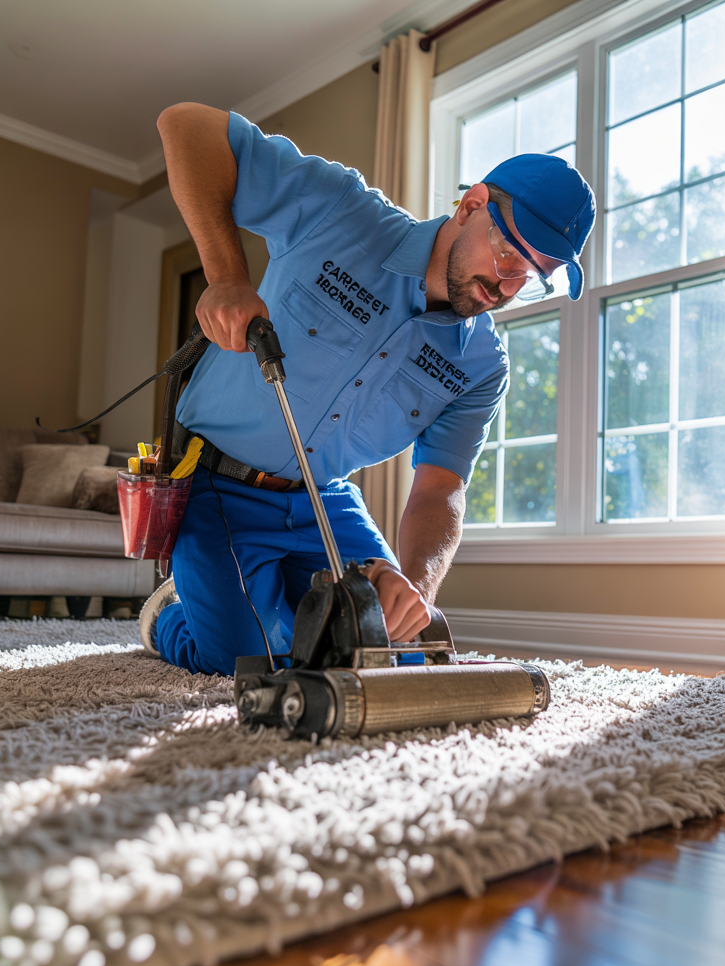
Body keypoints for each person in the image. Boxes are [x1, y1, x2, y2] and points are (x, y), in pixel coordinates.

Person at [139, 102, 595, 676]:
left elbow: (439, 493)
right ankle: (173, 613)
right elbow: (187, 124)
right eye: (507, 253)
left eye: (528, 279)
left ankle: (275, 599)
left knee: (394, 650)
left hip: (324, 501)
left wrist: (416, 589)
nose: (505, 286)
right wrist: (227, 276)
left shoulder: (482, 364)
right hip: (214, 481)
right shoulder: (340, 212)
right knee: (244, 660)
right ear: (471, 204)